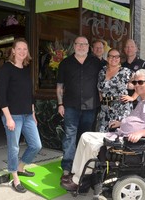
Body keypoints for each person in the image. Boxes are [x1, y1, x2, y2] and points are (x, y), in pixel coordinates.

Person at [61, 69, 145, 191]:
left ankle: (80, 181)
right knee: (85, 136)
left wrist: (141, 132)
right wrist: (121, 123)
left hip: (130, 142)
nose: (136, 86)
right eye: (134, 83)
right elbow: (135, 119)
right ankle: (75, 173)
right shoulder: (142, 100)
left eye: (140, 82)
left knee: (92, 145)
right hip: (119, 134)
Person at [0, 38, 42, 193]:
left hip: (28, 115)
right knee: (14, 148)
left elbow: (30, 95)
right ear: (14, 51)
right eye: (19, 48)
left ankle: (20, 167)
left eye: (25, 49)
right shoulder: (6, 69)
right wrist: (8, 118)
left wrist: (33, 114)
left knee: (36, 145)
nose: (23, 51)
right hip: (13, 116)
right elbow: (1, 96)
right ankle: (15, 179)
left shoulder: (26, 69)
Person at [57, 36, 101, 183]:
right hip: (70, 106)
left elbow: (111, 74)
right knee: (70, 136)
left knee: (85, 138)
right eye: (78, 44)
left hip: (90, 107)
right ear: (74, 46)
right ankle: (67, 167)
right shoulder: (65, 63)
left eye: (84, 44)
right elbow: (59, 87)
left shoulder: (97, 63)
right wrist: (60, 104)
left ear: (88, 47)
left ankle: (82, 166)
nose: (81, 47)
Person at [97, 48, 134, 132]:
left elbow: (141, 83)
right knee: (103, 136)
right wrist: (101, 98)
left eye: (117, 56)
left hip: (121, 109)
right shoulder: (102, 72)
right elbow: (100, 88)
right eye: (111, 56)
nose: (114, 58)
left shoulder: (125, 72)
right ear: (107, 58)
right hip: (105, 110)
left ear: (120, 59)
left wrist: (133, 97)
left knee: (118, 137)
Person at [121, 39, 145, 104]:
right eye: (127, 47)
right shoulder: (121, 66)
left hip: (139, 102)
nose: (129, 49)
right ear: (124, 49)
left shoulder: (143, 64)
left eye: (132, 46)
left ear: (136, 49)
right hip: (124, 102)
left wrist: (134, 87)